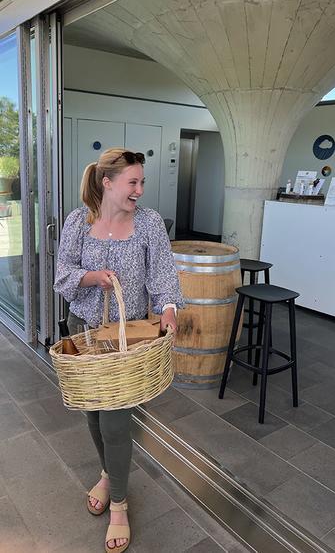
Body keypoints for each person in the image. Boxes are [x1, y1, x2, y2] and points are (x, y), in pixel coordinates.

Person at [54, 147, 184, 553]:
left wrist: (169, 310)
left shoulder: (148, 225)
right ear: (107, 182)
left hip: (127, 341)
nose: (140, 190)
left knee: (114, 422)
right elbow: (63, 275)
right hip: (84, 334)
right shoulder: (79, 221)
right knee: (93, 415)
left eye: (142, 182)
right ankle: (110, 475)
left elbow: (164, 273)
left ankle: (120, 505)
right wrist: (93, 277)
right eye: (133, 182)